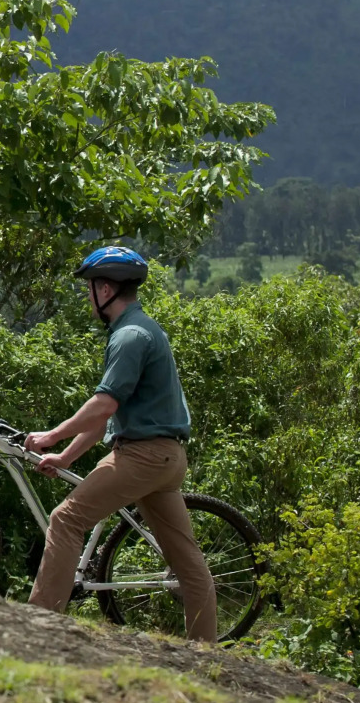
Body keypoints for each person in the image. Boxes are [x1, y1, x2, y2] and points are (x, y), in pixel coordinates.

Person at [24, 245, 217, 641]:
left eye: (90, 287)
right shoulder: (142, 328)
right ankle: (206, 651)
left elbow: (103, 404)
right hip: (167, 457)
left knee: (65, 519)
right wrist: (64, 456)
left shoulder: (128, 335)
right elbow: (106, 418)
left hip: (142, 455)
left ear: (106, 289)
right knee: (187, 562)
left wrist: (51, 435)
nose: (88, 296)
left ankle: (38, 629)